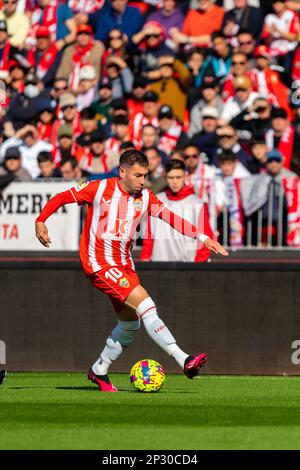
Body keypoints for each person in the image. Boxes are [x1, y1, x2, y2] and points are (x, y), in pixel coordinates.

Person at [35, 149, 228, 392]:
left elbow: (171, 218)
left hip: (125, 264)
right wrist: (41, 220)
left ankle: (99, 370)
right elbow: (62, 197)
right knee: (147, 305)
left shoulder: (145, 197)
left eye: (145, 175)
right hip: (99, 263)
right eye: (137, 175)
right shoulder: (99, 189)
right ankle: (184, 360)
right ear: (122, 172)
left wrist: (203, 237)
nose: (142, 181)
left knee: (130, 325)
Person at [140, 158, 212, 262]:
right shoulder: (156, 200)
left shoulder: (197, 203)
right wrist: (145, 258)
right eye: (171, 177)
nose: (174, 181)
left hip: (187, 267)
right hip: (159, 265)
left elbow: (205, 239)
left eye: (178, 177)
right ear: (165, 177)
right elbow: (149, 235)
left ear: (185, 176)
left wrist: (197, 267)